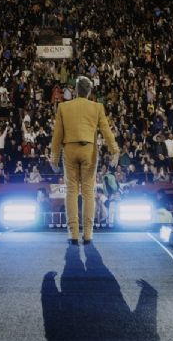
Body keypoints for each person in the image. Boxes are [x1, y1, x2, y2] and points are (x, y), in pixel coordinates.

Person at [50, 76, 119, 245]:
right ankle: (88, 234)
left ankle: (73, 233)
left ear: (75, 90)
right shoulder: (97, 107)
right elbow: (106, 131)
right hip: (89, 150)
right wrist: (114, 150)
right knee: (88, 192)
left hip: (69, 150)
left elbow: (57, 134)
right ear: (89, 91)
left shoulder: (63, 107)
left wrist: (54, 158)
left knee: (71, 192)